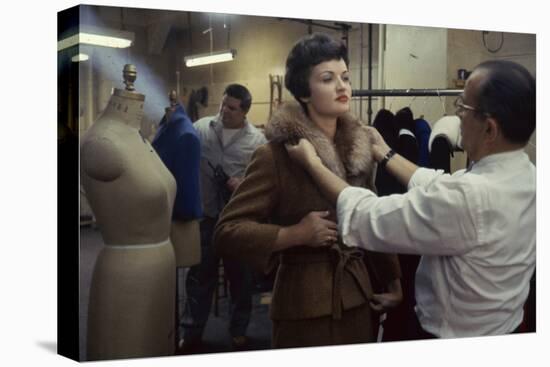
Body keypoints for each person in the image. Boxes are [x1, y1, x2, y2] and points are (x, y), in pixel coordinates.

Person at [286, 59, 536, 338]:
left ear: (489, 129)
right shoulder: (528, 175)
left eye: (463, 107)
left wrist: (313, 164)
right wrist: (385, 152)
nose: (457, 116)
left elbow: (366, 214)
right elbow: (440, 183)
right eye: (328, 78)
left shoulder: (470, 198)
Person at [214, 33, 402, 348]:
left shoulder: (360, 149)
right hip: (304, 305)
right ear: (303, 91)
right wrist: (295, 235)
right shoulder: (276, 155)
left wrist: (393, 279)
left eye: (345, 77)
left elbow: (370, 215)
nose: (342, 87)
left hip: (358, 295)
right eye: (328, 79)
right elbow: (226, 232)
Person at [180, 84, 267, 352]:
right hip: (205, 217)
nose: (224, 111)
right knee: (198, 277)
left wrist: (241, 183)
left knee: (240, 280)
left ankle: (238, 330)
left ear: (244, 112)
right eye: (223, 104)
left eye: (231, 108)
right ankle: (191, 332)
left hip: (237, 220)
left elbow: (262, 181)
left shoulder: (257, 141)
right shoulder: (201, 128)